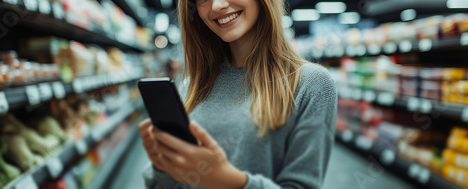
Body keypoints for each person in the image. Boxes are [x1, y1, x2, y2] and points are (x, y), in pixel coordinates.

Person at [139, 0, 337, 188]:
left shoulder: (310, 83)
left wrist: (227, 180)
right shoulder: (192, 88)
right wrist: (163, 165)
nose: (217, 5)